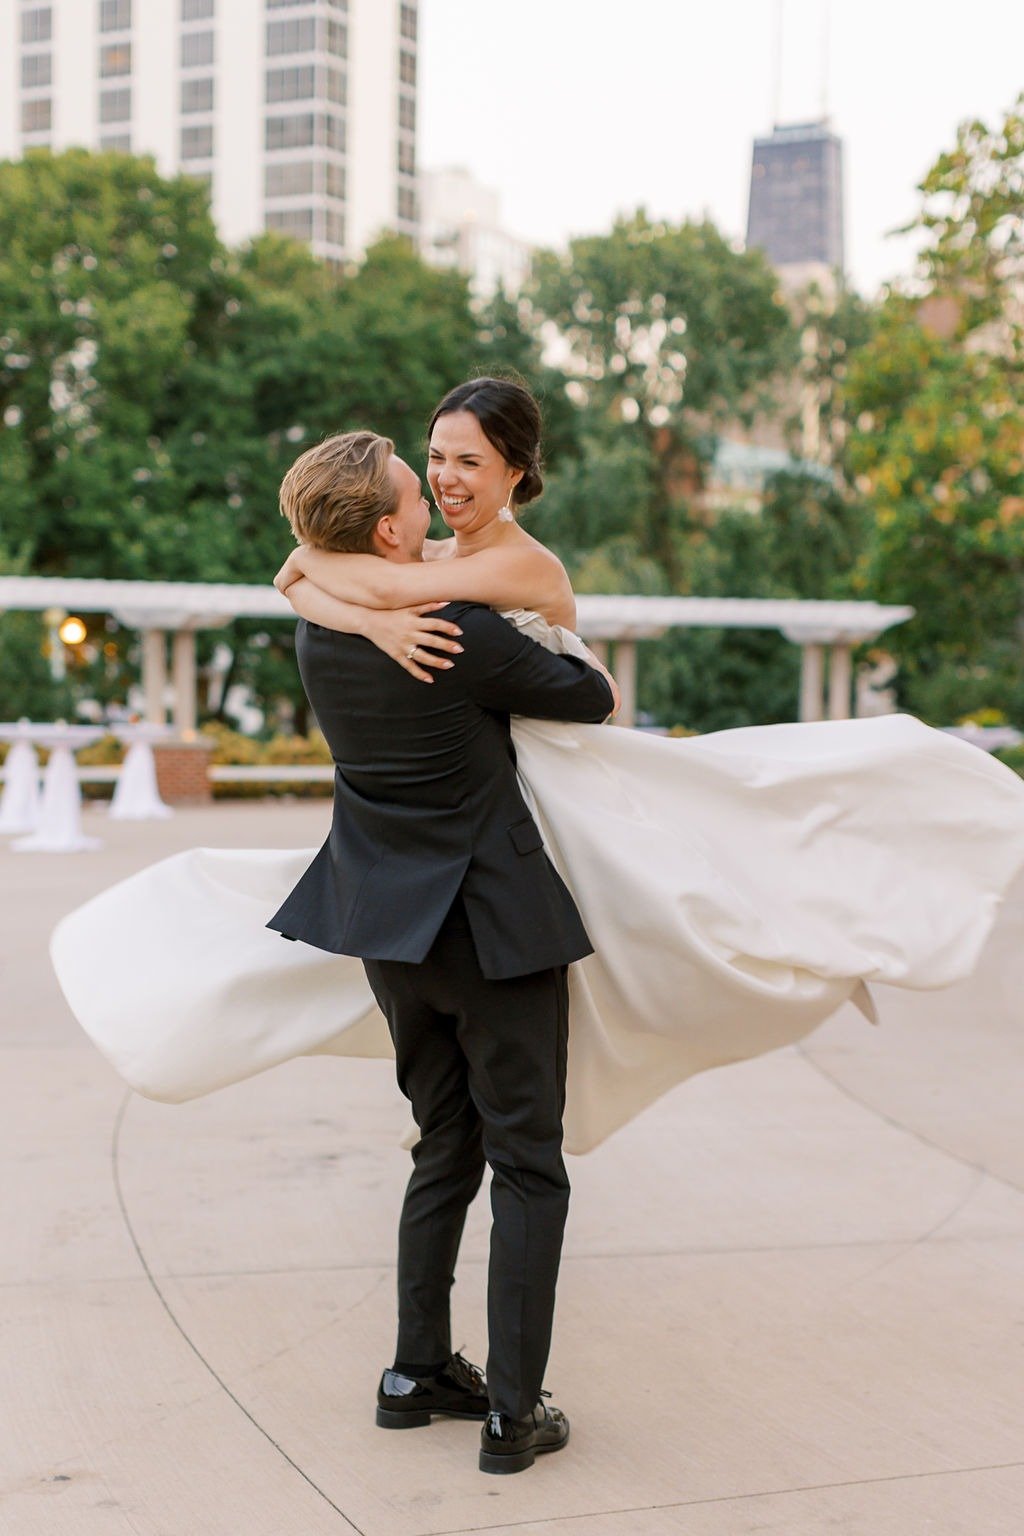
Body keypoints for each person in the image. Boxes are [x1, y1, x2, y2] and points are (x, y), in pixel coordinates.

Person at [51, 378, 1024, 1458]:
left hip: (383, 926)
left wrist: (344, 592)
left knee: (441, 1146)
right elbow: (592, 702)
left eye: (458, 462)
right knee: (529, 1163)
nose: (435, 487)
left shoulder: (327, 636)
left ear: (510, 468)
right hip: (486, 926)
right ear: (384, 526)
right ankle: (515, 1410)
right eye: (419, 477)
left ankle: (413, 1370)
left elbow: (304, 573)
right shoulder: (453, 626)